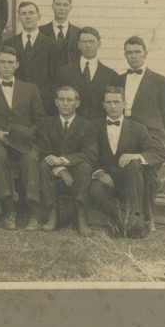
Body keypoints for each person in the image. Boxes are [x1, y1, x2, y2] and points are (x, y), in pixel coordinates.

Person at [0, 46, 48, 230]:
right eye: (2, 62)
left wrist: (27, 134)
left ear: (17, 65)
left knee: (30, 158)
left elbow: (39, 119)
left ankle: (34, 213)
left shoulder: (30, 89)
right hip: (0, 140)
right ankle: (8, 210)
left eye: (10, 62)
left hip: (25, 141)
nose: (6, 66)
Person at [118, 35, 165, 230]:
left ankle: (147, 217)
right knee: (134, 167)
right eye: (129, 53)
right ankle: (141, 210)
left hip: (152, 137)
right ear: (125, 55)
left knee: (147, 168)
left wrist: (161, 138)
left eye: (137, 52)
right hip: (128, 137)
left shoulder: (161, 82)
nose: (133, 56)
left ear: (145, 53)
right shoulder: (118, 80)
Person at [89, 85, 165, 238]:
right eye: (108, 102)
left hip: (131, 181)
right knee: (95, 191)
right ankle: (122, 217)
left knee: (134, 164)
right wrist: (99, 173)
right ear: (103, 105)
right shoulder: (93, 126)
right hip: (107, 179)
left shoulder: (138, 128)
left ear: (124, 104)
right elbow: (89, 154)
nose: (112, 106)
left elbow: (156, 153)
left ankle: (137, 216)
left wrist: (136, 156)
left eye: (116, 102)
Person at [38, 86, 98, 236]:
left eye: (69, 100)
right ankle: (52, 215)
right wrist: (60, 169)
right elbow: (43, 150)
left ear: (77, 103)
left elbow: (90, 154)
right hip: (54, 171)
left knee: (85, 167)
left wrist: (63, 160)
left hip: (76, 169)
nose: (65, 103)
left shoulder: (87, 125)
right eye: (61, 99)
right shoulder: (46, 123)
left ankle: (81, 216)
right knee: (43, 166)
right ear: (56, 102)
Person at [55, 26, 120, 121]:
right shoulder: (64, 72)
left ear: (99, 44)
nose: (88, 45)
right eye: (84, 42)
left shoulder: (112, 76)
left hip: (99, 126)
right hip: (73, 126)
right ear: (79, 45)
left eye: (91, 41)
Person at [5, 1, 53, 112]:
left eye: (31, 13)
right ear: (19, 18)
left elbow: (54, 77)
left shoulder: (51, 44)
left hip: (42, 101)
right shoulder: (9, 43)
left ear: (39, 16)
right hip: (16, 100)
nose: (27, 17)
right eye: (23, 14)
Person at [39, 0, 81, 81]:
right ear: (52, 6)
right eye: (58, 4)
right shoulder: (40, 31)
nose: (61, 8)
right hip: (47, 82)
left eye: (65, 5)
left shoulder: (78, 33)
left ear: (70, 8)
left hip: (71, 81)